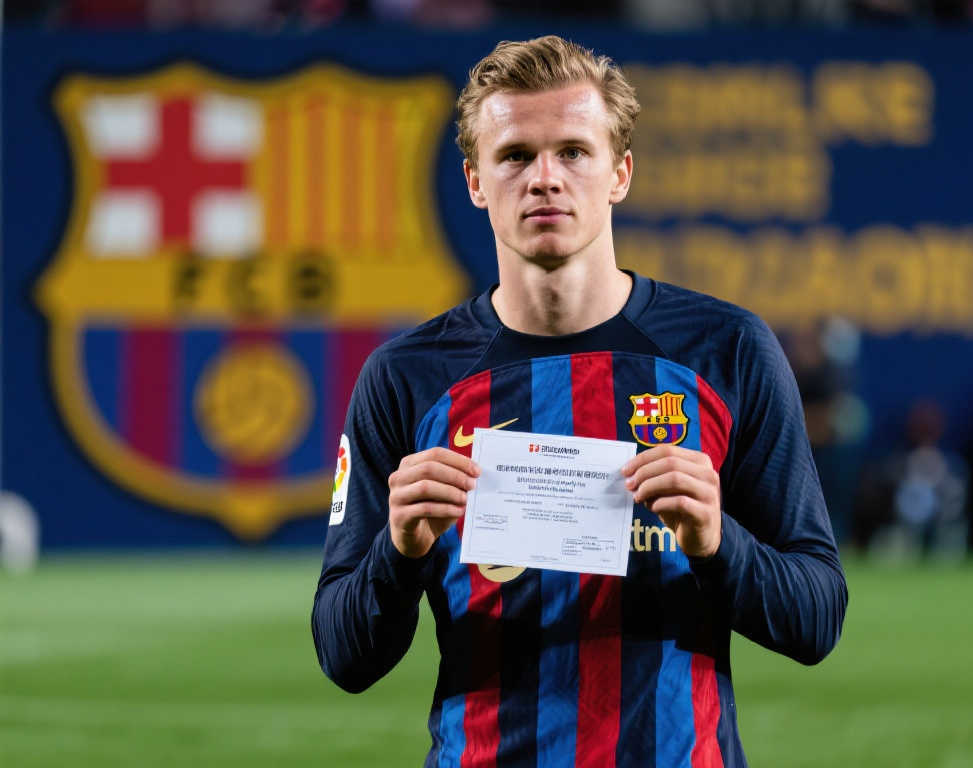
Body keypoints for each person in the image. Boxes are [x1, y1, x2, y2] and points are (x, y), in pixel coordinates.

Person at [312, 35, 847, 767]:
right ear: (475, 181)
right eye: (514, 156)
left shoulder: (727, 350)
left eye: (572, 151)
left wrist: (718, 541)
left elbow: (816, 621)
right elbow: (343, 656)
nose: (544, 179)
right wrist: (398, 552)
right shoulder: (405, 377)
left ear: (619, 172)